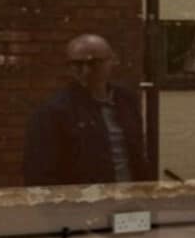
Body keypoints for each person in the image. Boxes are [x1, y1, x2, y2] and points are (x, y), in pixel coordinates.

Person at [23, 33, 149, 186]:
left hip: (131, 199)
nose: (86, 71)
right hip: (85, 204)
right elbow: (39, 172)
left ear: (112, 61)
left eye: (94, 63)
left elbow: (136, 154)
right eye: (77, 65)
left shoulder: (126, 100)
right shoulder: (54, 111)